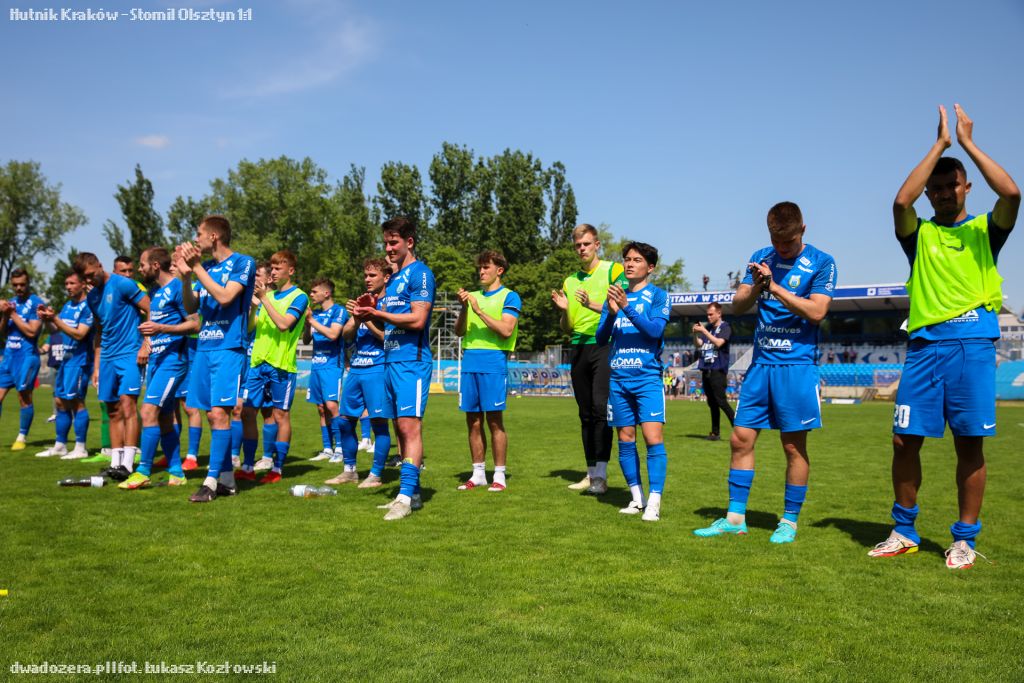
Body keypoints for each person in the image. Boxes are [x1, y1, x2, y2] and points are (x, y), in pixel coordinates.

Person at [869, 105, 1019, 569]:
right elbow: (900, 203)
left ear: (966, 187)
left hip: (972, 348)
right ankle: (904, 531)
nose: (942, 193)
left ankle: (964, 539)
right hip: (924, 348)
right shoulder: (918, 235)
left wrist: (968, 144)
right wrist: (939, 145)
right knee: (903, 441)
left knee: (969, 444)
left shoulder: (986, 230)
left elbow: (1012, 192)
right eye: (935, 189)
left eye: (951, 185)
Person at [694, 201, 836, 544]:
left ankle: (789, 521)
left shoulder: (822, 262)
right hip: (761, 365)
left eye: (788, 242)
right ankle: (734, 518)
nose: (781, 248)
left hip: (796, 366)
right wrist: (758, 285)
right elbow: (739, 304)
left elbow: (817, 312)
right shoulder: (761, 257)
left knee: (793, 446)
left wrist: (775, 288)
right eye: (776, 241)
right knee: (740, 439)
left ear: (803, 230)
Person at [353, 217, 435, 520]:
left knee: (410, 427)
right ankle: (412, 494)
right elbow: (388, 327)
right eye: (386, 242)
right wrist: (367, 316)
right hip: (390, 361)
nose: (388, 248)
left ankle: (404, 498)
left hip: (412, 362)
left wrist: (377, 313)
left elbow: (418, 320)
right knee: (400, 428)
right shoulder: (393, 280)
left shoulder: (421, 273)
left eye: (394, 242)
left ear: (409, 242)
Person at [174, 215, 256, 503]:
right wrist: (187, 277)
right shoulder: (206, 267)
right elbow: (191, 307)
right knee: (211, 414)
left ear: (214, 236)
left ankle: (210, 482)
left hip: (229, 347)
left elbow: (225, 297)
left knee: (221, 413)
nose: (196, 239)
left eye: (199, 234)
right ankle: (228, 481)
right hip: (205, 347)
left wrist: (196, 267)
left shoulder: (243, 262)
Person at [595, 242, 671, 521]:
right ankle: (637, 499)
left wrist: (626, 308)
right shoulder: (615, 295)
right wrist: (612, 313)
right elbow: (600, 338)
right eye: (627, 259)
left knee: (653, 438)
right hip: (619, 379)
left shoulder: (659, 296)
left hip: (647, 378)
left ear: (650, 267)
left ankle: (655, 502)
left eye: (636, 260)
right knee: (625, 439)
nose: (629, 264)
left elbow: (654, 331)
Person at [550, 224, 627, 494]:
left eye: (586, 244)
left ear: (597, 245)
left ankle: (601, 476)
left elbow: (620, 306)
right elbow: (567, 326)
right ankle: (591, 473)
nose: (582, 249)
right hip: (578, 347)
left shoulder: (613, 270)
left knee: (599, 408)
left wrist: (590, 304)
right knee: (584, 413)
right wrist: (564, 310)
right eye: (578, 245)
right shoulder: (570, 281)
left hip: (604, 344)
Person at [120, 247, 197, 489]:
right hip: (156, 360)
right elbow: (151, 324)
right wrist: (147, 341)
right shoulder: (154, 293)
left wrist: (162, 329)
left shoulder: (178, 288)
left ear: (155, 265)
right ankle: (176, 472)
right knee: (164, 417)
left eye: (142, 264)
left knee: (147, 412)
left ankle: (143, 471)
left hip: (173, 361)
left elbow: (195, 325)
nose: (139, 269)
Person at [73, 253, 151, 479]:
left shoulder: (123, 284)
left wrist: (146, 343)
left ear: (99, 264)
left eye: (91, 274)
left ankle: (128, 464)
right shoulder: (92, 297)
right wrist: (97, 366)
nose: (89, 280)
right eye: (85, 278)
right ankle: (115, 463)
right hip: (107, 357)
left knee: (128, 405)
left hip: (129, 354)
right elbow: (99, 332)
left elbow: (150, 308)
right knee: (112, 410)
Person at [237, 250, 307, 485]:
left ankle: (277, 468)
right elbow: (250, 328)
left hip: (281, 366)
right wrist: (253, 307)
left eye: (278, 268)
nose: (273, 272)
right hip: (257, 364)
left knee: (280, 415)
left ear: (291, 271)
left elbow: (284, 324)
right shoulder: (268, 296)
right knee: (247, 412)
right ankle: (248, 466)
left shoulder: (299, 297)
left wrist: (264, 299)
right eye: (272, 268)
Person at [454, 250, 521, 493]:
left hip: (493, 362)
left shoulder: (510, 296)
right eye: (479, 268)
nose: (481, 272)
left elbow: (506, 330)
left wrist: (479, 310)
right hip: (469, 361)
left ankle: (499, 475)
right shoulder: (471, 297)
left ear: (499, 270)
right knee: (472, 421)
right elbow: (459, 331)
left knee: (494, 420)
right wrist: (465, 308)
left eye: (486, 267)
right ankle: (478, 473)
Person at [331, 258, 392, 488]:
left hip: (378, 369)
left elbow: (389, 339)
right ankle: (349, 471)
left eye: (372, 275)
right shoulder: (363, 300)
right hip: (356, 369)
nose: (367, 279)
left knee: (378, 423)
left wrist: (371, 318)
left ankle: (375, 475)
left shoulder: (391, 302)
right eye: (365, 275)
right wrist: (357, 318)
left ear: (386, 277)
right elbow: (346, 334)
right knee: (344, 422)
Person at [35, 272, 94, 459]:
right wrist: (47, 320)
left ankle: (80, 448)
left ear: (83, 284)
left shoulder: (88, 306)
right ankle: (60, 445)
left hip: (79, 360)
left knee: (76, 401)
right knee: (60, 401)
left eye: (72, 283)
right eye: (66, 283)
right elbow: (56, 332)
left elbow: (80, 334)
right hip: (65, 359)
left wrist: (55, 319)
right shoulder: (68, 305)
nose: (68, 287)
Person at [304, 278, 348, 463]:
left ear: (326, 293)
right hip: (317, 365)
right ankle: (327, 448)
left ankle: (341, 448)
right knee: (321, 408)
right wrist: (308, 323)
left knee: (331, 406)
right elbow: (306, 340)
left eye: (314, 292)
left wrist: (311, 320)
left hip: (332, 365)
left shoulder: (339, 311)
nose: (311, 294)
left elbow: (333, 334)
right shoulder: (315, 314)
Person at [0, 268, 44, 450]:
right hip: (9, 356)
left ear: (28, 283)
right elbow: (2, 332)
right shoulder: (11, 303)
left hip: (26, 357)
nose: (18, 288)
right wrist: (5, 315)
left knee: (24, 397)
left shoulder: (36, 303)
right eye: (15, 285)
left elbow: (32, 332)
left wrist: (12, 314)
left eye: (22, 284)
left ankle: (21, 437)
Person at [693, 302, 735, 441]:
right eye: (707, 314)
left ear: (719, 313)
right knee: (712, 403)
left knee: (721, 401)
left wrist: (704, 331)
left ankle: (738, 428)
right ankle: (715, 433)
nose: (708, 317)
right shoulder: (709, 328)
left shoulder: (725, 327)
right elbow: (699, 344)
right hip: (706, 369)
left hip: (718, 370)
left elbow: (719, 343)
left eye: (711, 314)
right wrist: (695, 334)